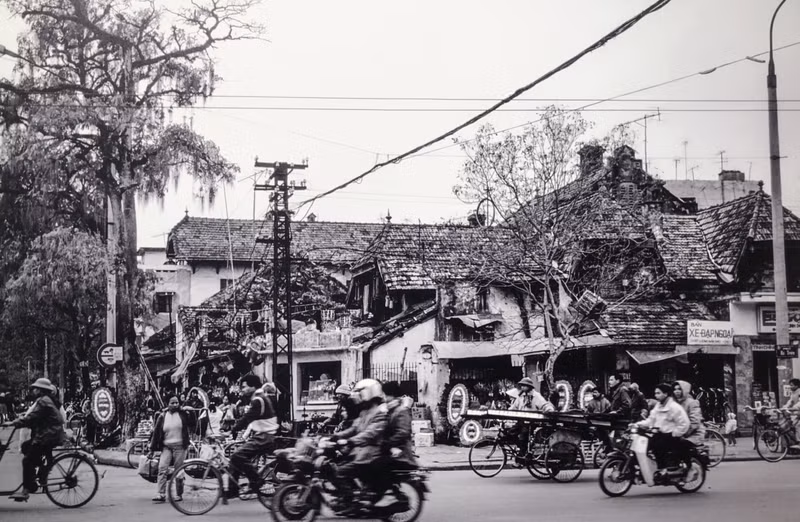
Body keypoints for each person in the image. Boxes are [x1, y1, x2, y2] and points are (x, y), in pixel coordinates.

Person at [2, 378, 66, 502]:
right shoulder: (44, 400)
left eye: (36, 389)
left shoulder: (43, 401)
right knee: (26, 447)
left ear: (41, 390)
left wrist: (13, 423)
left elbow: (31, 418)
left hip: (47, 435)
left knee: (27, 461)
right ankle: (37, 474)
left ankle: (27, 489)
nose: (34, 390)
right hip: (47, 434)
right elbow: (33, 416)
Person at [332, 379, 388, 507]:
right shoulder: (364, 412)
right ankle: (351, 494)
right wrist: (335, 436)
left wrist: (351, 441)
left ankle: (350, 501)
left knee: (340, 472)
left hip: (371, 453)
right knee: (337, 464)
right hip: (360, 451)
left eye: (361, 393)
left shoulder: (380, 412)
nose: (359, 396)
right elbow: (354, 429)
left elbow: (370, 433)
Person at [225, 375, 278, 498]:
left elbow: (246, 418)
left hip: (265, 437)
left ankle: (256, 480)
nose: (242, 390)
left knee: (237, 455)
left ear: (253, 387)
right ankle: (233, 489)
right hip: (262, 435)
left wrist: (231, 431)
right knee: (235, 458)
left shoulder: (258, 400)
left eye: (244, 387)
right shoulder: (258, 398)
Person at [636, 383, 691, 469]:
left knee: (658, 448)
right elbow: (651, 420)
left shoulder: (674, 407)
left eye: (658, 393)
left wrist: (674, 433)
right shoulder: (658, 406)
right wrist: (638, 424)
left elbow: (684, 423)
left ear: (665, 394)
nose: (655, 395)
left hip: (670, 436)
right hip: (659, 434)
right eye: (655, 393)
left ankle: (662, 469)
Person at [148, 395, 191, 502]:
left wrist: (190, 412)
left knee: (179, 470)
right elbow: (156, 434)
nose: (175, 405)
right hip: (166, 446)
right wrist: (151, 450)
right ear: (168, 404)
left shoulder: (183, 414)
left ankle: (179, 494)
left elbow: (193, 423)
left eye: (177, 403)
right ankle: (161, 493)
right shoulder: (162, 416)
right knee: (162, 468)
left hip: (180, 446)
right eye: (173, 403)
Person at [510, 377, 554, 464]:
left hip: (532, 422)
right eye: (521, 385)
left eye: (524, 386)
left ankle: (523, 456)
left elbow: (544, 404)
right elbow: (514, 407)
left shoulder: (536, 396)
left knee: (523, 436)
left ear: (529, 386)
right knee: (510, 432)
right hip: (521, 421)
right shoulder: (521, 397)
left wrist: (549, 409)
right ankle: (521, 450)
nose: (522, 387)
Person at [382, 381, 416, 470]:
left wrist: (388, 443)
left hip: (401, 451)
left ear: (391, 395)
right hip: (390, 450)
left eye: (385, 395)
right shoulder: (389, 410)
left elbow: (403, 432)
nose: (384, 398)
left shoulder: (401, 411)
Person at [672, 381, 706, 445]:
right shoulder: (673, 403)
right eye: (675, 389)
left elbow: (695, 421)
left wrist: (683, 433)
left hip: (693, 433)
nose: (676, 391)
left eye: (679, 389)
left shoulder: (692, 403)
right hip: (679, 432)